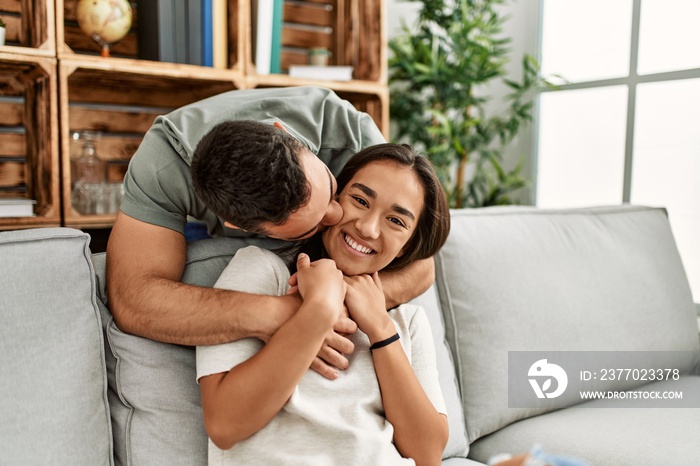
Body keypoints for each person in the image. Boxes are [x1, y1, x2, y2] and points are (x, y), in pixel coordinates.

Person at [105, 87, 435, 379]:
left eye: (332, 188)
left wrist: (339, 305)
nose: (338, 214)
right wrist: (289, 316)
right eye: (314, 225)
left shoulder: (345, 128)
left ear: (283, 132)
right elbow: (133, 300)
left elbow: (422, 263)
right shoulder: (161, 164)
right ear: (235, 228)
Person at [197, 143, 451, 465]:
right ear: (334, 201)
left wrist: (380, 328)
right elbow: (224, 425)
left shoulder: (407, 321)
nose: (367, 227)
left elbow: (428, 454)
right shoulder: (263, 274)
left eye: (396, 221)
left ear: (406, 246)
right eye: (360, 200)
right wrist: (319, 311)